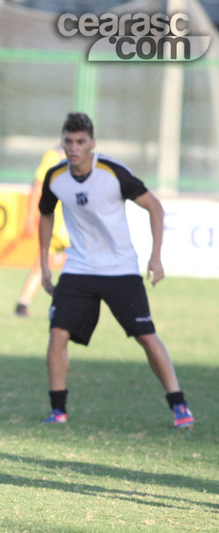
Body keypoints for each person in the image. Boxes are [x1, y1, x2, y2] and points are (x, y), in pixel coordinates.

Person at [38, 112, 193, 429]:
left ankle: (179, 405)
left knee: (146, 338)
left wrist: (156, 257)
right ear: (62, 142)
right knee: (57, 335)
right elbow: (44, 215)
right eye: (68, 141)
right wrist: (43, 263)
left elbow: (155, 206)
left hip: (120, 270)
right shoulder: (55, 178)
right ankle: (58, 410)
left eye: (80, 141)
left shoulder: (112, 173)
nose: (73, 147)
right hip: (78, 269)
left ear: (92, 143)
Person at [14, 146, 69, 317]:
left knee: (47, 265)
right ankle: (23, 305)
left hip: (71, 220)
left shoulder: (84, 158)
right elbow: (38, 187)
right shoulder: (55, 156)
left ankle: (22, 305)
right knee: (43, 264)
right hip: (59, 220)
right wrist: (30, 217)